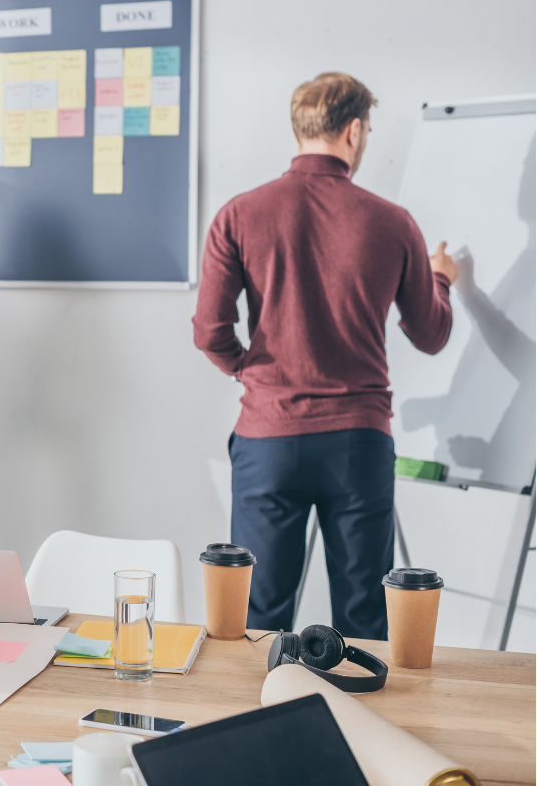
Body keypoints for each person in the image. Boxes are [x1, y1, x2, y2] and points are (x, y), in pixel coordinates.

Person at [192, 73, 458, 640]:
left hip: (270, 439)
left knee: (255, 623)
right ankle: (364, 728)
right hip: (358, 446)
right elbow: (431, 333)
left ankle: (255, 726)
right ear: (355, 131)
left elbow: (210, 331)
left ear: (299, 129)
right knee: (365, 624)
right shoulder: (393, 222)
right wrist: (441, 279)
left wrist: (250, 370)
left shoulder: (239, 215)